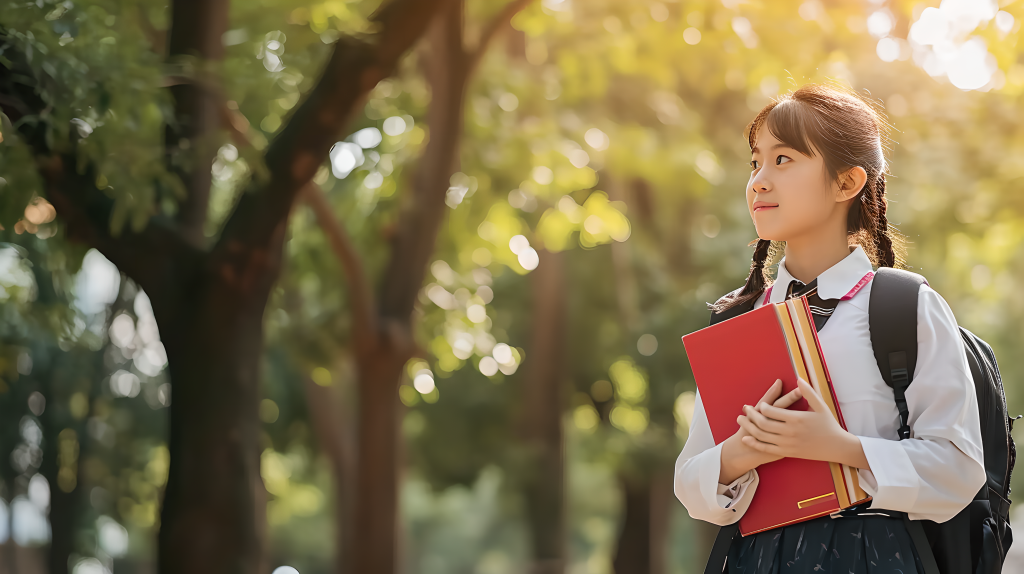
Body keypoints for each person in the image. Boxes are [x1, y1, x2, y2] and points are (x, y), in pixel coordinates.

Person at [673, 83, 986, 574]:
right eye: (755, 162)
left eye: (784, 160)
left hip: (874, 556)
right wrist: (740, 453)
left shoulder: (903, 307)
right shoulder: (739, 321)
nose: (758, 181)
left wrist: (839, 448)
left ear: (847, 183)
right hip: (756, 559)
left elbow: (959, 471)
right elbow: (691, 483)